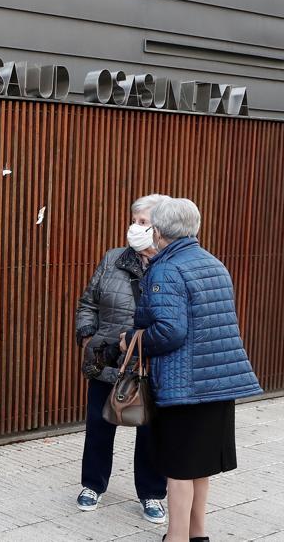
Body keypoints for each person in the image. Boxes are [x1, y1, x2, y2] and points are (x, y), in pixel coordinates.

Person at [125, 197, 262, 542]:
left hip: (184, 386)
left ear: (158, 230)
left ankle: (176, 537)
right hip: (217, 382)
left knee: (179, 469)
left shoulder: (167, 269)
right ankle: (198, 534)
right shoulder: (213, 263)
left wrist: (131, 339)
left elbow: (170, 331)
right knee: (200, 467)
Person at [73, 194, 169, 523]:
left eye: (143, 222)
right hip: (107, 358)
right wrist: (87, 334)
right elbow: (88, 302)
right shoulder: (112, 258)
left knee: (152, 432)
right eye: (134, 220)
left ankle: (153, 493)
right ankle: (92, 485)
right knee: (99, 427)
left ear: (160, 228)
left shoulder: (171, 266)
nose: (134, 227)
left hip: (150, 362)